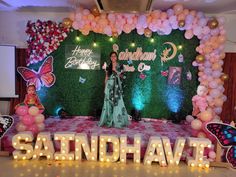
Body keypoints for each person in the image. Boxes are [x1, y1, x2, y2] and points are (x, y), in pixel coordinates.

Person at [98, 52, 129, 128]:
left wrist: (117, 72)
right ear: (110, 58)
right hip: (109, 87)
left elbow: (123, 77)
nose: (113, 57)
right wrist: (105, 87)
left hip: (117, 87)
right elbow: (106, 77)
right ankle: (109, 120)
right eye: (111, 56)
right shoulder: (108, 66)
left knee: (118, 103)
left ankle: (118, 121)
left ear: (116, 57)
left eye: (114, 56)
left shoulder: (120, 66)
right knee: (108, 103)